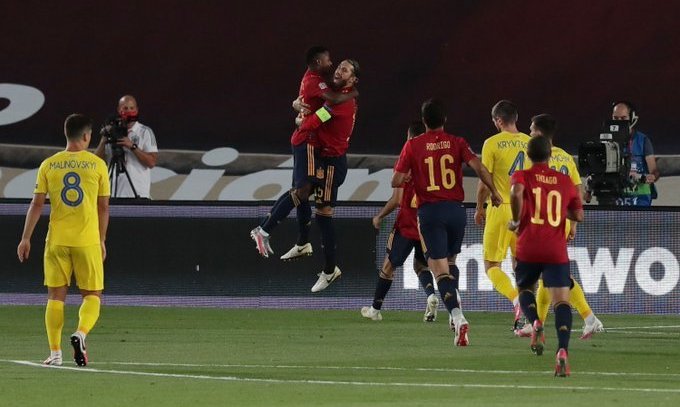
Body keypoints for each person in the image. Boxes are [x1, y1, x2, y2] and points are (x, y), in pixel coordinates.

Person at [393, 99, 502, 346]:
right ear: (444, 120)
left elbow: (397, 180)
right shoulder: (457, 142)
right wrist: (494, 192)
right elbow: (480, 167)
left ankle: (457, 316)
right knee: (451, 263)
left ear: (424, 121)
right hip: (456, 211)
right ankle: (455, 301)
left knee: (439, 270)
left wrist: (411, 173)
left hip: (431, 213)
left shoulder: (413, 145)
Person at [17, 114, 110, 367]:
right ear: (87, 136)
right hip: (87, 240)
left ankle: (55, 353)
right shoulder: (97, 165)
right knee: (92, 295)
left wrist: (25, 238)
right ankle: (80, 333)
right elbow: (103, 207)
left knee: (55, 297)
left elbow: (37, 204)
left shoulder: (49, 164)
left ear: (66, 134)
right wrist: (102, 239)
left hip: (57, 240)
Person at [250, 46, 358, 259]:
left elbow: (322, 109)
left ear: (353, 78)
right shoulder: (322, 85)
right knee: (302, 192)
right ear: (318, 63)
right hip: (308, 142)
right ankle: (265, 231)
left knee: (303, 193)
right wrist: (302, 119)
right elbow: (326, 109)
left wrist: (299, 111)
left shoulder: (323, 85)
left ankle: (301, 242)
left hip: (321, 150)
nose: (334, 67)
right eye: (332, 63)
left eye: (343, 69)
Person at [513, 114, 603, 340]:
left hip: (539, 224)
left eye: (532, 130)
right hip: (559, 220)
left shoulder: (535, 157)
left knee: (552, 278)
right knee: (548, 278)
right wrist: (572, 223)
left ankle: (588, 317)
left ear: (539, 133)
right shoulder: (565, 157)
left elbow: (525, 190)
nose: (529, 133)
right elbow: (576, 190)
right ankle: (537, 323)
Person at [508, 135, 584, 377]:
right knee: (561, 302)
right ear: (550, 155)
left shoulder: (522, 175)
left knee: (525, 289)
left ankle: (535, 322)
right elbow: (578, 215)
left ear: (528, 156)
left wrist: (516, 220)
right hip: (555, 249)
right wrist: (563, 212)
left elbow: (516, 192)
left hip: (528, 246)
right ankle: (562, 350)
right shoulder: (564, 180)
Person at [361, 121, 440, 322]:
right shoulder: (433, 162)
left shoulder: (406, 159)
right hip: (427, 224)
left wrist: (379, 216)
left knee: (388, 266)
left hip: (406, 225)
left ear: (410, 138)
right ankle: (431, 296)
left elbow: (397, 199)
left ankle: (375, 310)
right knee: (421, 266)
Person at [299, 59, 360, 293]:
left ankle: (329, 268)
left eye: (345, 70)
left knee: (322, 214)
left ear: (353, 79)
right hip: (326, 160)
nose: (338, 71)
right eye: (339, 67)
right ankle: (309, 248)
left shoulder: (342, 102)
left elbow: (317, 119)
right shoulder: (338, 96)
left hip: (333, 163)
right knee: (308, 200)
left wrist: (300, 121)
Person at [474, 100, 530, 329]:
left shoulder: (492, 143)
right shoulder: (530, 142)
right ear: (515, 118)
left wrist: (479, 207)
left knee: (491, 265)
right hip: (525, 209)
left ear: (498, 120)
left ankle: (517, 301)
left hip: (501, 207)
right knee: (522, 266)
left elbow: (484, 180)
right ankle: (529, 316)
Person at [94, 95, 158, 198]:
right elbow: (95, 163)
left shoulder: (144, 132)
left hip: (138, 193)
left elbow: (151, 162)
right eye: (125, 108)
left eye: (132, 108)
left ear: (137, 110)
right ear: (119, 110)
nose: (129, 111)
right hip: (113, 193)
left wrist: (132, 146)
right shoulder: (111, 133)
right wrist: (104, 140)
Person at [611, 101, 659, 206]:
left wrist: (652, 177)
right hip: (615, 195)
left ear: (632, 118)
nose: (619, 122)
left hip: (640, 197)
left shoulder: (643, 140)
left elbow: (654, 171)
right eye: (616, 118)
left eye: (623, 118)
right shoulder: (607, 140)